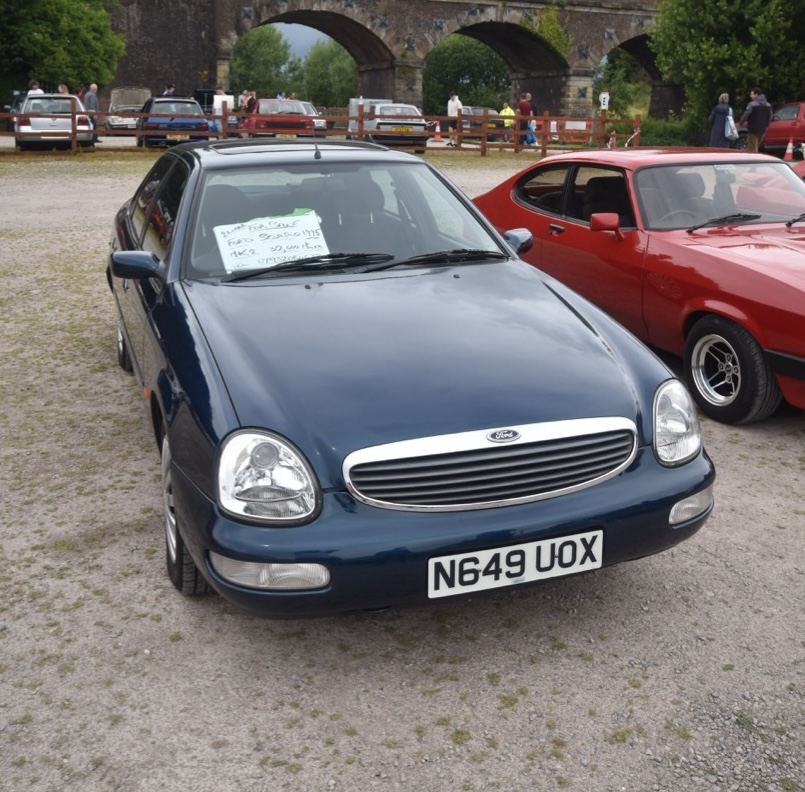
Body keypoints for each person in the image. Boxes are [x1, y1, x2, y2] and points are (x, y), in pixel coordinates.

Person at [740, 87, 773, 152]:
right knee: (756, 146)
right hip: (763, 129)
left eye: (752, 94)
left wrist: (741, 123)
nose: (750, 96)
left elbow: (746, 115)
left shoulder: (752, 104)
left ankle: (753, 160)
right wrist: (766, 125)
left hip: (753, 129)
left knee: (752, 148)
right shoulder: (768, 105)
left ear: (756, 94)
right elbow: (770, 117)